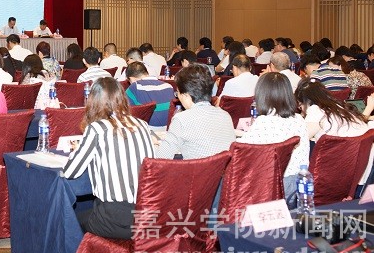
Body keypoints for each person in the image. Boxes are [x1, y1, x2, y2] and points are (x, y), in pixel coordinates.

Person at [63, 77, 154, 239]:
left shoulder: (96, 129)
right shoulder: (143, 125)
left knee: (67, 221)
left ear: (93, 102)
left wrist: (80, 151)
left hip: (115, 219)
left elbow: (70, 172)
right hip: (148, 215)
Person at [237, 72, 309, 207]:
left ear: (261, 95)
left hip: (274, 189)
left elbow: (239, 152)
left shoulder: (263, 123)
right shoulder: (300, 119)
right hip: (299, 186)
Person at [153, 64, 235, 159]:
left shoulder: (181, 119)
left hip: (195, 168)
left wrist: (154, 145)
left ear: (186, 96)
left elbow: (161, 158)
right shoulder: (225, 115)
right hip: (221, 167)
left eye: (177, 93)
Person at [296, 77, 370, 142]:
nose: (302, 111)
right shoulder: (337, 106)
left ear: (306, 102)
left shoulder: (315, 110)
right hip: (363, 148)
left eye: (300, 106)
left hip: (346, 150)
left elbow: (301, 139)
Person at [124, 61, 174, 127]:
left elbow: (123, 110)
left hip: (147, 129)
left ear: (131, 78)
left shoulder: (135, 87)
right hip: (170, 127)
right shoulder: (168, 86)